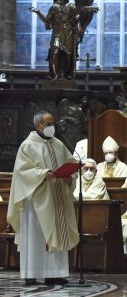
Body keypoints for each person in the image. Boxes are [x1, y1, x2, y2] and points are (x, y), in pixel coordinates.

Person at [7, 111, 79, 286]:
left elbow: (71, 165)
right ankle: (31, 273)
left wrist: (71, 177)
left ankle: (54, 273)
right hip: (36, 200)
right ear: (37, 125)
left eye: (52, 123)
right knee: (35, 237)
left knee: (58, 233)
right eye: (48, 124)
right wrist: (43, 174)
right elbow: (21, 172)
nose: (51, 127)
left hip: (58, 197)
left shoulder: (59, 144)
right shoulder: (28, 146)